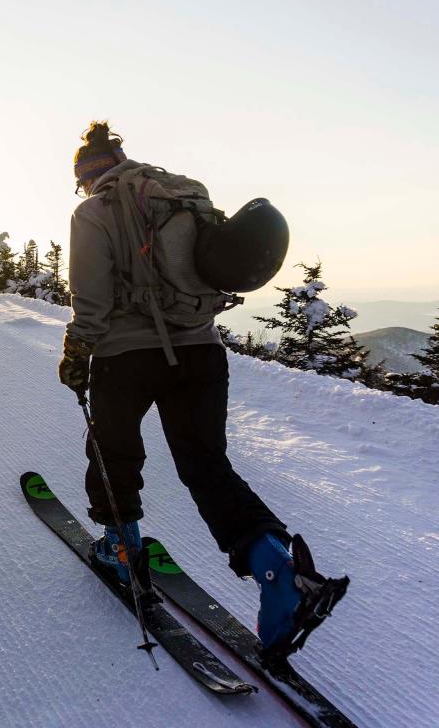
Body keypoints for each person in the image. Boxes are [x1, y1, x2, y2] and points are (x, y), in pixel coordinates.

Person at [57, 121, 347, 661]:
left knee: (113, 449)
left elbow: (91, 302)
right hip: (201, 353)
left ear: (87, 175)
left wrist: (76, 356)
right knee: (206, 464)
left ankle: (122, 551)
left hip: (126, 357)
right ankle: (278, 570)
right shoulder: (183, 192)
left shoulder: (93, 213)